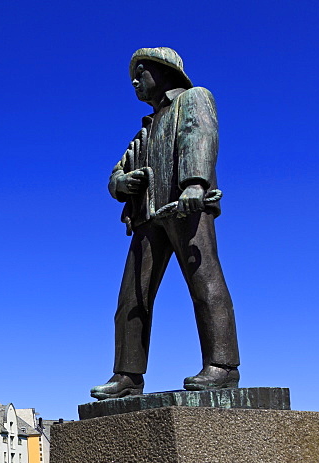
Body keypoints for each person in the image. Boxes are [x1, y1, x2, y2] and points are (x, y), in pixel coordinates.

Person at [90, 47, 240, 400]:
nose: (134, 82)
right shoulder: (145, 129)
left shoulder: (193, 98)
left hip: (184, 207)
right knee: (131, 297)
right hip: (147, 218)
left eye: (140, 73)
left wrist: (195, 182)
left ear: (163, 71)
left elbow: (200, 136)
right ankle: (127, 375)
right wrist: (121, 184)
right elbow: (116, 172)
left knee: (204, 280)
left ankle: (223, 365)